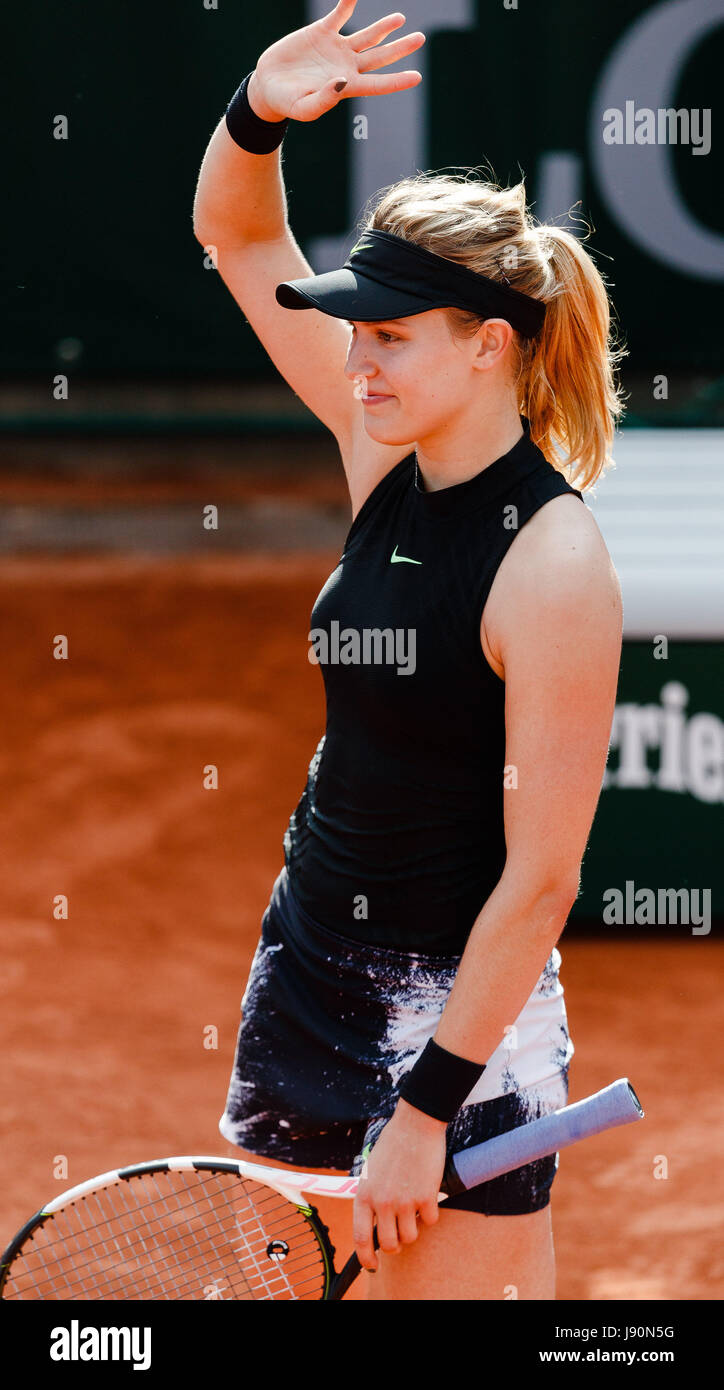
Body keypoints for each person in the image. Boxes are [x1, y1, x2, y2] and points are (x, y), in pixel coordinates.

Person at [193, 0, 625, 1301]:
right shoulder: (383, 443)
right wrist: (258, 110)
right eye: (356, 336)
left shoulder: (552, 569)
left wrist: (430, 1109)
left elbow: (543, 879)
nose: (358, 363)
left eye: (388, 337)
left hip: (460, 1029)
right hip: (309, 965)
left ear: (489, 346)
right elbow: (238, 232)